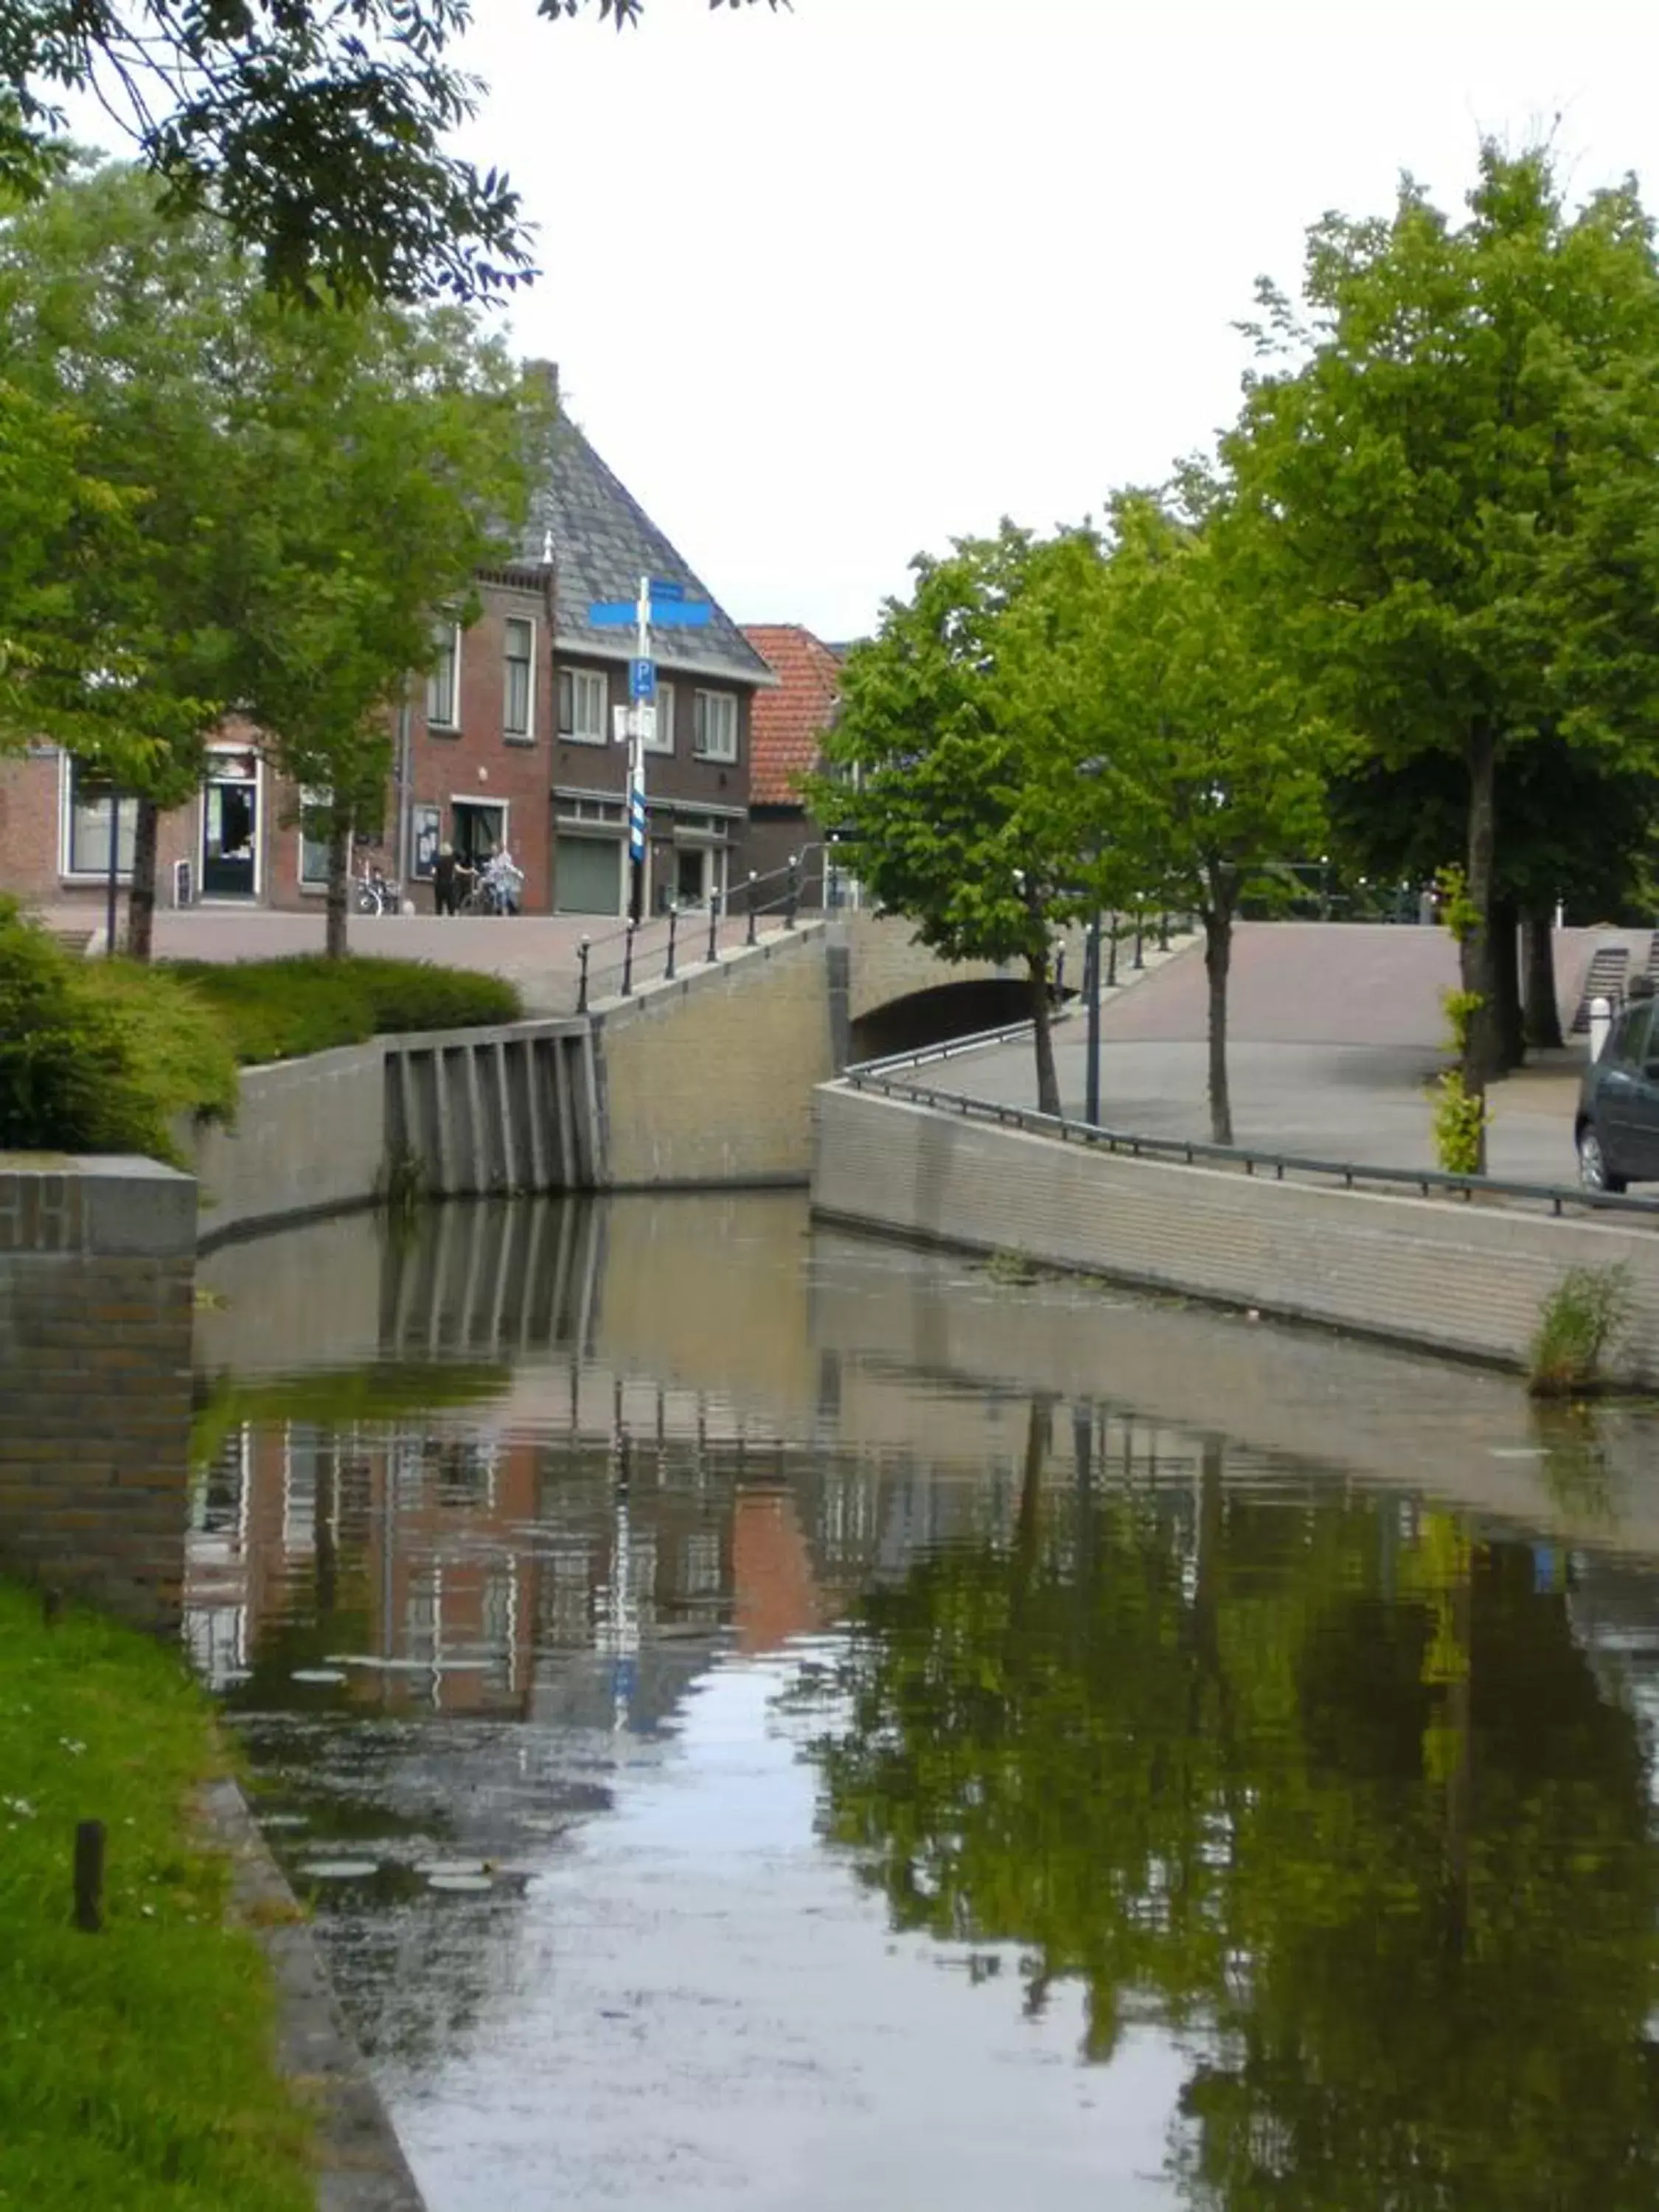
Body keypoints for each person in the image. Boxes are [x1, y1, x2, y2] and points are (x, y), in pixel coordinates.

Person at [433, 842, 458, 917]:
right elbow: (458, 869)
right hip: (449, 884)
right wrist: (469, 871)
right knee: (450, 905)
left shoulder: (438, 861)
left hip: (439, 884)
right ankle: (451, 917)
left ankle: (438, 917)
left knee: (439, 904)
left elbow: (433, 872)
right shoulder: (452, 860)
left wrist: (435, 879)